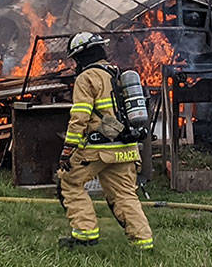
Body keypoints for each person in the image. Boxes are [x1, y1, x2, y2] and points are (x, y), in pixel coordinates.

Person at [56, 32, 154, 250]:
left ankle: (85, 235)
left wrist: (68, 150)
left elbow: (80, 117)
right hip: (126, 148)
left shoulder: (87, 78)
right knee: (125, 195)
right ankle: (143, 243)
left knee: (69, 182)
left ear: (81, 57)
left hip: (98, 149)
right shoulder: (117, 73)